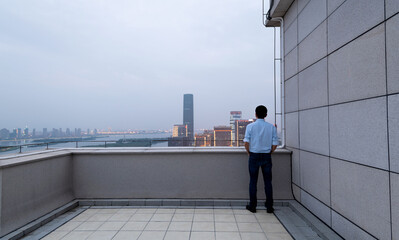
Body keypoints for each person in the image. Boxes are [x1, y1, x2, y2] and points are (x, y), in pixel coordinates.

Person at [243, 105, 278, 213]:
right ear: (266, 115)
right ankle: (269, 207)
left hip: (254, 155)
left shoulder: (250, 126)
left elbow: (246, 142)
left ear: (255, 114)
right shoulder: (272, 127)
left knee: (253, 182)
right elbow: (275, 144)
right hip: (266, 156)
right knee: (268, 182)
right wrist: (269, 152)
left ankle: (253, 206)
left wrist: (249, 152)